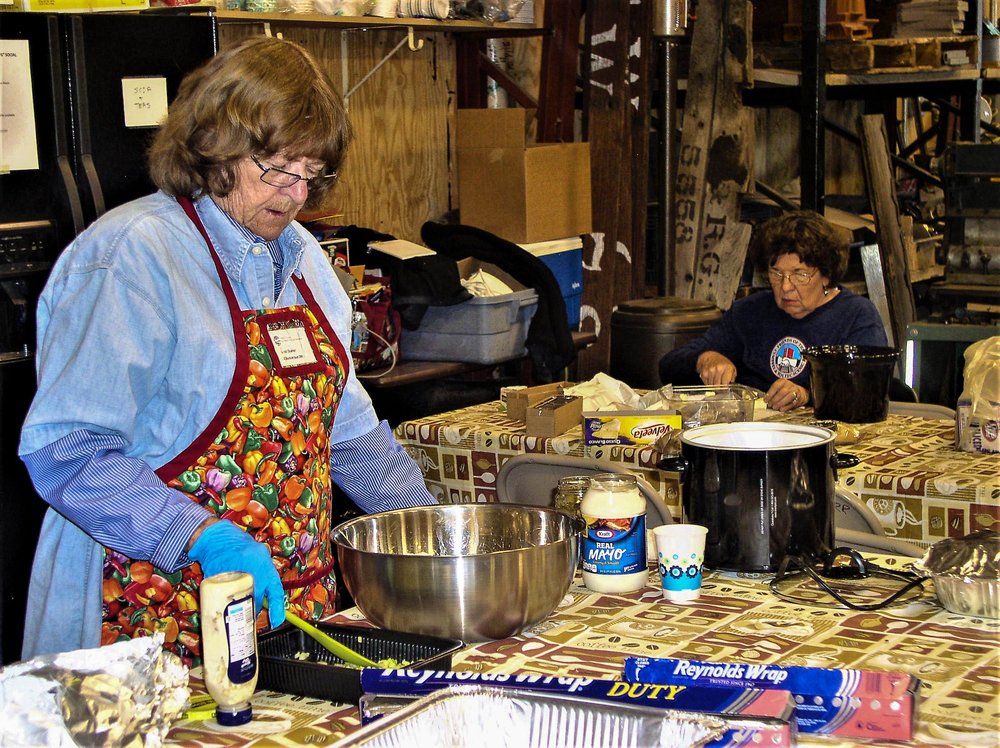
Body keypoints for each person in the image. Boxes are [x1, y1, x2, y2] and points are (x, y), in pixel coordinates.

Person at [18, 37, 437, 665]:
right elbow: (65, 453)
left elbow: (349, 438)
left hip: (290, 614)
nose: (296, 194)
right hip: (149, 615)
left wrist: (429, 533)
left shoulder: (306, 265)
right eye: (276, 167)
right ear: (215, 147)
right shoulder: (132, 259)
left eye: (312, 173)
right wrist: (200, 535)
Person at [658, 210, 888, 411]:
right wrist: (705, 358)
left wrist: (807, 395)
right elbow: (669, 366)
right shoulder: (750, 311)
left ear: (826, 275)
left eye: (800, 274)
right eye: (777, 274)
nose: (786, 286)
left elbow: (866, 391)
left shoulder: (856, 316)